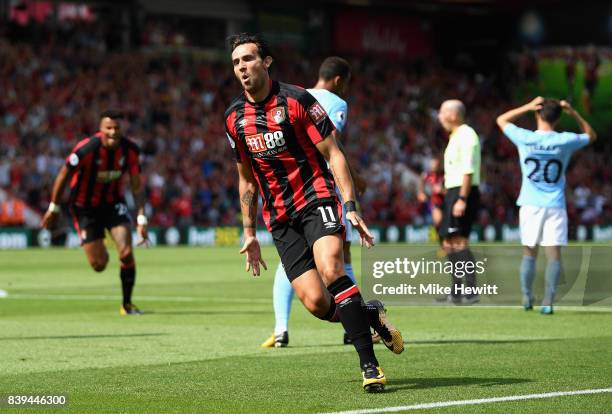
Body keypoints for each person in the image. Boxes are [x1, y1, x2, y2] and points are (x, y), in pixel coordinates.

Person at [224, 33, 403, 392]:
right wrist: (248, 233)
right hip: (279, 218)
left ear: (267, 61)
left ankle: (370, 366)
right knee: (317, 303)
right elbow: (246, 181)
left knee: (332, 268)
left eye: (248, 59)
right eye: (236, 62)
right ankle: (369, 314)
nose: (242, 67)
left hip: (316, 198)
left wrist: (350, 206)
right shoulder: (234, 119)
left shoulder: (297, 100)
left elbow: (333, 153)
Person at [260, 56, 373, 348]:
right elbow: (331, 143)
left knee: (292, 261)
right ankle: (354, 325)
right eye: (346, 83)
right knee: (341, 256)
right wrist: (354, 178)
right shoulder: (335, 102)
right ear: (339, 80)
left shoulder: (298, 96)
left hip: (287, 192)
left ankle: (281, 328)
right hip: (320, 186)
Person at [41, 110, 149, 315]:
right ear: (100, 130)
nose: (113, 132)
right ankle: (97, 243)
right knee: (99, 264)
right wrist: (54, 208)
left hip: (113, 204)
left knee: (126, 253)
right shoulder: (87, 149)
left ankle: (127, 305)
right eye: (108, 128)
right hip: (85, 207)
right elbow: (64, 175)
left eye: (117, 128)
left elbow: (136, 187)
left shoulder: (131, 150)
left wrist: (141, 218)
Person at [496, 97, 596, 314]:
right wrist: (574, 112)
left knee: (529, 252)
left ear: (537, 114)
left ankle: (526, 296)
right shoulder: (565, 140)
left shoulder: (525, 137)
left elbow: (501, 120)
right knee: (554, 254)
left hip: (530, 204)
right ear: (558, 118)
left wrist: (527, 106)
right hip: (555, 204)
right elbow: (591, 135)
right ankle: (548, 301)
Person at [437, 100, 481, 305]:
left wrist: (461, 198)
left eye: (442, 112)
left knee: (459, 242)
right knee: (449, 243)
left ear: (453, 115)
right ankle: (456, 291)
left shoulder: (466, 135)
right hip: (454, 192)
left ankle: (471, 291)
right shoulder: (456, 136)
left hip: (463, 193)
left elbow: (468, 170)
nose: (439, 117)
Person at [417, 157, 444, 231]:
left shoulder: (444, 175)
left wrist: (441, 190)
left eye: (436, 165)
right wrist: (420, 193)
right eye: (433, 165)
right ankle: (442, 238)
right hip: (435, 202)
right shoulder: (426, 175)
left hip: (446, 201)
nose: (434, 167)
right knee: (438, 221)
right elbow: (421, 185)